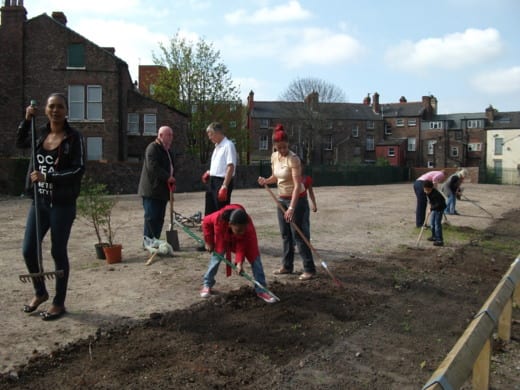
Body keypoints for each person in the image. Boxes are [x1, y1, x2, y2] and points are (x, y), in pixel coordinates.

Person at [16, 93, 85, 321]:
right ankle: (40, 292)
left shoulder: (74, 138)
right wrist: (27, 120)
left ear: (66, 111)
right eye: (51, 106)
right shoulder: (39, 132)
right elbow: (19, 143)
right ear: (46, 110)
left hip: (62, 204)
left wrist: (48, 176)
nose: (55, 110)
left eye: (60, 107)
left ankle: (59, 302)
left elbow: (78, 170)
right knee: (28, 250)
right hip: (40, 202)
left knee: (57, 251)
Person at [257, 124, 317, 281]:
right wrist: (266, 180)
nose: (282, 150)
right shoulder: (274, 157)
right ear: (275, 146)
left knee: (299, 234)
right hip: (281, 199)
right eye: (279, 148)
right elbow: (276, 177)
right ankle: (287, 266)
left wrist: (292, 207)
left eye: (284, 147)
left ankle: (309, 269)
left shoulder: (294, 159)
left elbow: (298, 185)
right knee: (285, 235)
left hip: (298, 200)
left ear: (288, 144)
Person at [199, 204, 276, 303]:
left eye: (243, 229)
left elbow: (241, 245)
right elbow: (205, 222)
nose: (241, 232)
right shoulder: (218, 217)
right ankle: (207, 284)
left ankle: (261, 290)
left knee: (255, 259)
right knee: (217, 257)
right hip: (223, 235)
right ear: (230, 224)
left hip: (248, 239)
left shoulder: (246, 229)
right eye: (239, 230)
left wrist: (239, 263)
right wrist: (208, 241)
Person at [138, 126, 176, 242]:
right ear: (160, 136)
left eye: (171, 135)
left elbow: (172, 167)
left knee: (159, 218)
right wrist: (168, 177)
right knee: (151, 217)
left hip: (163, 191)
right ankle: (148, 241)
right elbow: (153, 167)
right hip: (152, 190)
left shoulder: (167, 151)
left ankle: (156, 240)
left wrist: (173, 179)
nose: (171, 138)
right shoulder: (152, 148)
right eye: (168, 135)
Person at [201, 122, 237, 216]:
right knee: (210, 210)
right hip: (212, 181)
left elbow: (231, 166)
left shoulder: (228, 145)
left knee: (221, 212)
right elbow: (220, 165)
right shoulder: (217, 147)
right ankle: (210, 230)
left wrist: (224, 186)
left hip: (221, 182)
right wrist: (210, 172)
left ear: (217, 133)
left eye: (211, 134)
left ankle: (222, 230)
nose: (210, 138)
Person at [423, 180, 447, 246]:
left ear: (431, 188)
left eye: (427, 190)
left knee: (437, 224)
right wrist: (430, 206)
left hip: (439, 209)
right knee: (432, 223)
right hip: (434, 208)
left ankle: (439, 240)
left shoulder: (436, 194)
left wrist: (431, 209)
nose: (426, 191)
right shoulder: (428, 192)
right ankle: (434, 236)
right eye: (425, 190)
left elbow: (438, 204)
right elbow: (431, 201)